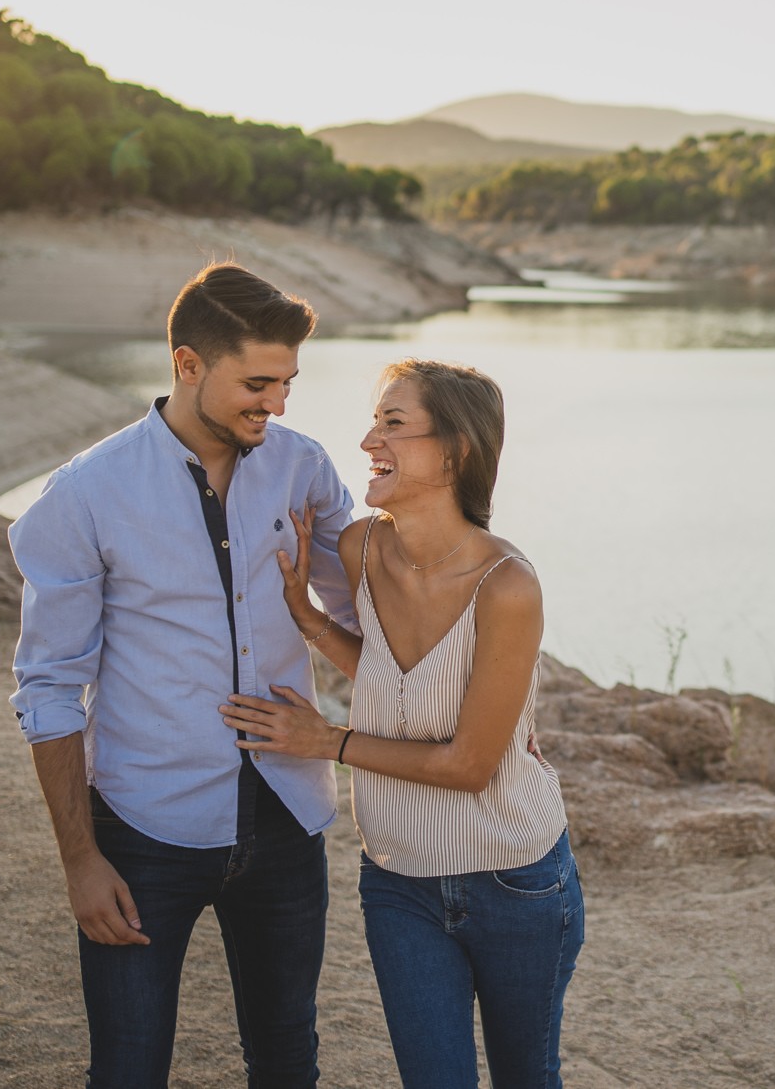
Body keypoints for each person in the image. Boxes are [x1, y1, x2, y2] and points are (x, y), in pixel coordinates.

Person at [9, 263, 357, 1088]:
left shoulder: (302, 467)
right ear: (188, 364)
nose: (276, 405)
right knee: (127, 1070)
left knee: (287, 1061)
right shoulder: (89, 492)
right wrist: (79, 860)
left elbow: (372, 605)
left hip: (286, 819)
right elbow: (49, 687)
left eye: (287, 384)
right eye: (258, 383)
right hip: (142, 833)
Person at [220, 358, 582, 1089]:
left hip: (514, 877)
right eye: (373, 420)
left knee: (526, 1076)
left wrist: (329, 741)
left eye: (392, 424)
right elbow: (400, 682)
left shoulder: (507, 585)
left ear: (455, 451)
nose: (366, 441)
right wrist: (314, 625)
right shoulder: (359, 550)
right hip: (397, 879)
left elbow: (469, 764)